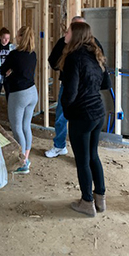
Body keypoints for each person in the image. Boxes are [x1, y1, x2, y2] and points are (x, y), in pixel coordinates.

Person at [59, 22, 109, 217]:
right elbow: (105, 82)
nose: (65, 33)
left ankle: (87, 202)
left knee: (82, 160)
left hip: (82, 115)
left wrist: (67, 109)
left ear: (76, 34)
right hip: (98, 112)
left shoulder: (73, 58)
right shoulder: (95, 55)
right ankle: (100, 198)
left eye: (68, 31)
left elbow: (69, 92)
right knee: (93, 155)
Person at [45, 16, 87, 158]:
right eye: (72, 28)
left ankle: (82, 153)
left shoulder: (91, 44)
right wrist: (62, 66)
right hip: (68, 85)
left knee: (81, 120)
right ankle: (59, 146)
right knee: (61, 117)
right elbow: (52, 61)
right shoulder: (64, 42)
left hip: (84, 89)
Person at [0, 26, 38, 174]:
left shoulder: (14, 54)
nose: (16, 38)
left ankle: (23, 163)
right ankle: (26, 157)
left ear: (22, 37)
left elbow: (3, 69)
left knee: (16, 128)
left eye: (17, 35)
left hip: (19, 94)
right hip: (32, 92)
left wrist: (10, 72)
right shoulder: (32, 54)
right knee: (26, 126)